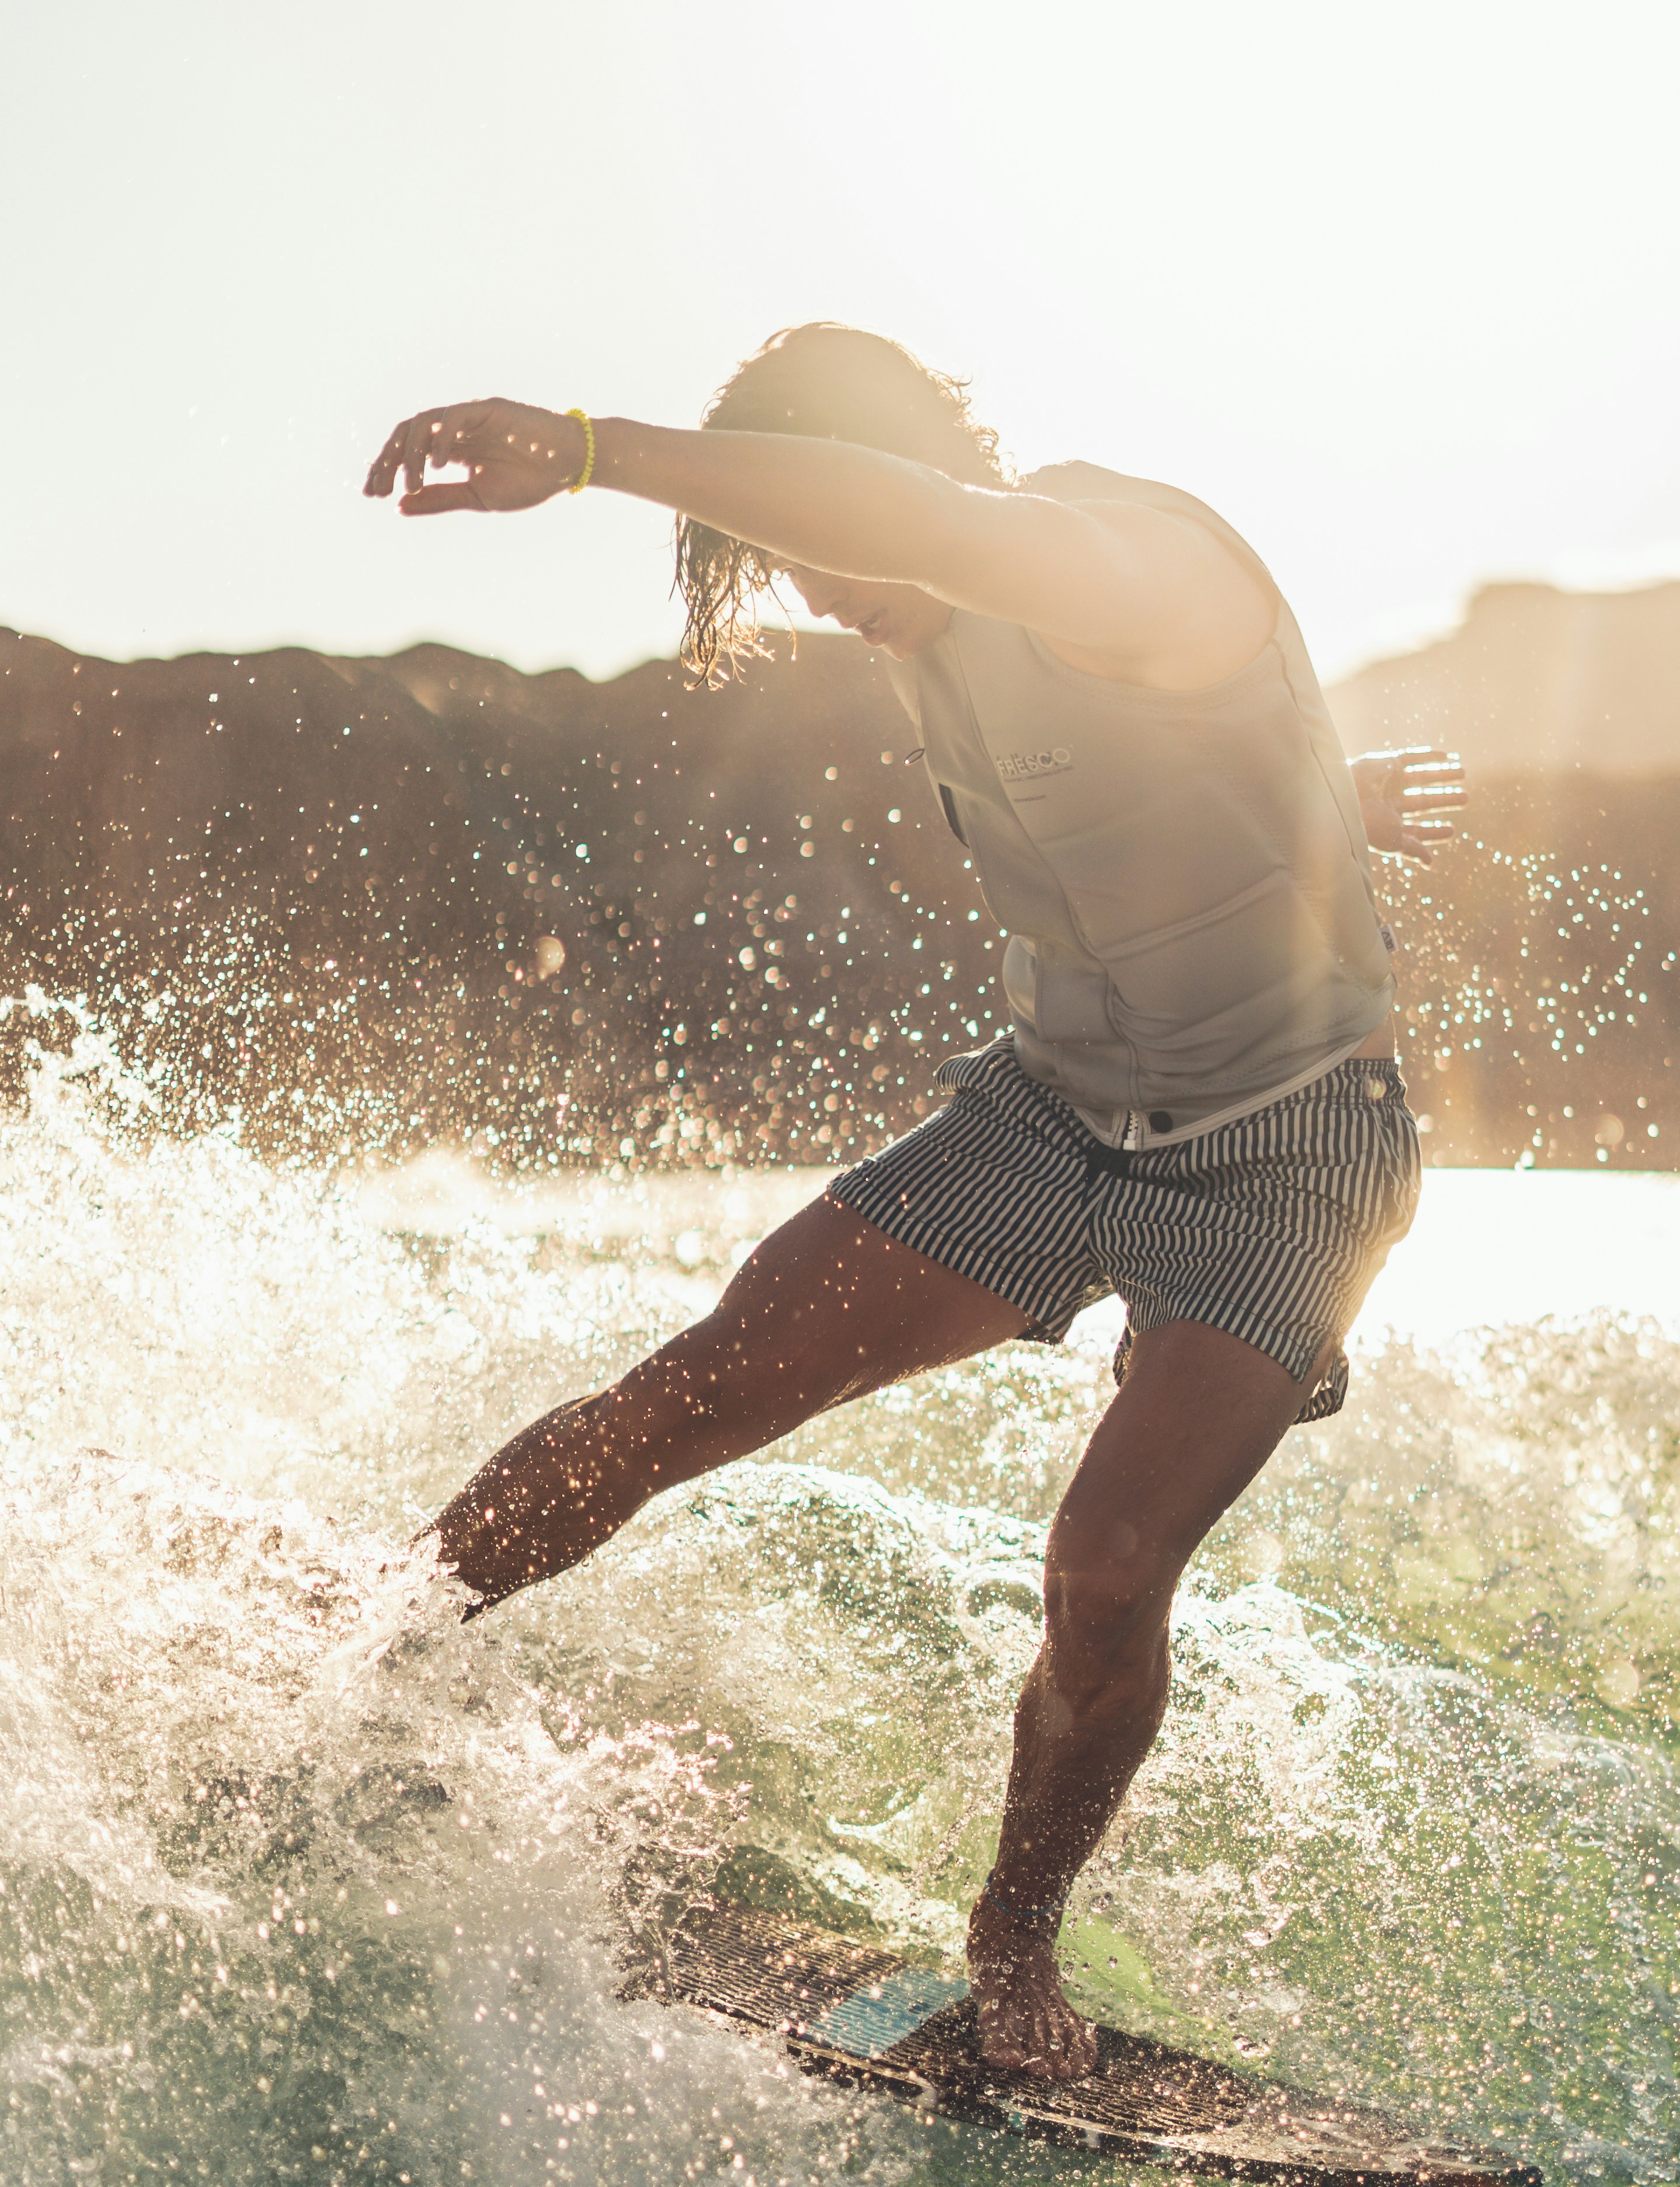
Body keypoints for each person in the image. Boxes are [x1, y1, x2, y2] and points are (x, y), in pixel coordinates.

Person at [365, 326, 1460, 2079]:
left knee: (1107, 1570)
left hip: (1284, 1151)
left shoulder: (1114, 558)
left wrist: (585, 446)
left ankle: (1014, 1941)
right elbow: (1156, 781)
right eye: (793, 569)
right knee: (681, 1400)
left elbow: (984, 562)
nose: (824, 591)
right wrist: (1331, 801)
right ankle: (363, 1663)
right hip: (1042, 1116)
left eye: (833, 538)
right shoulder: (925, 620)